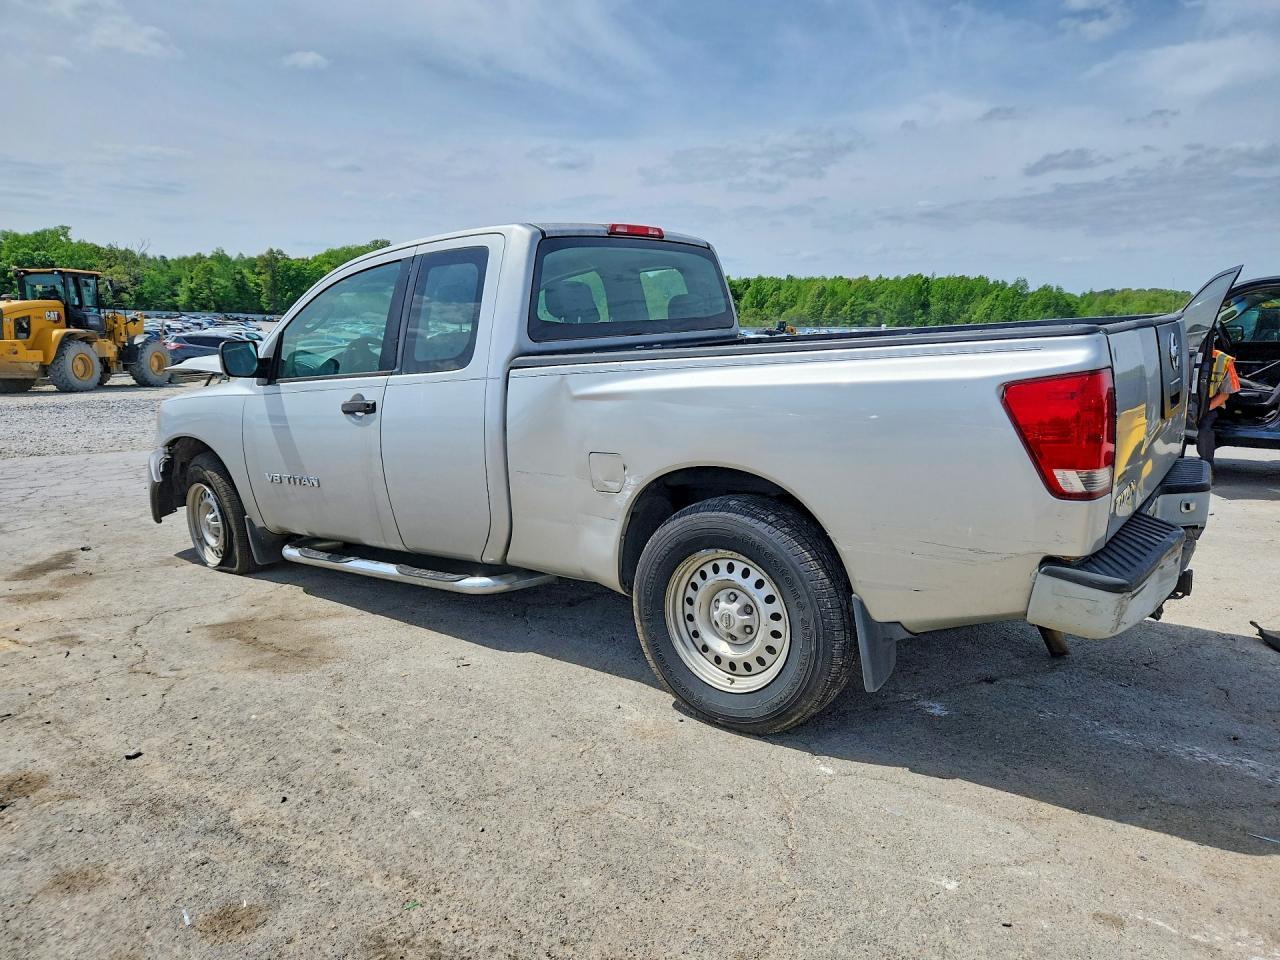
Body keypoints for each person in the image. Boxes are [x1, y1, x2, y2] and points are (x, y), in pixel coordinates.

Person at [1196, 346, 1241, 464]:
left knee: (1204, 429)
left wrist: (1204, 410)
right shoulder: (1184, 355)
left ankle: (1207, 465)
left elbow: (1224, 395)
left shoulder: (1224, 361)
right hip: (1185, 405)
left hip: (1211, 405)